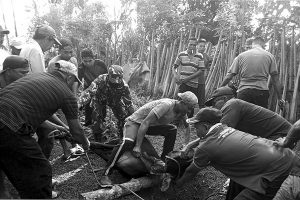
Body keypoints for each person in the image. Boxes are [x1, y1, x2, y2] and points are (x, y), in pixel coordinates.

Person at [0, 60, 90, 199]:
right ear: (69, 77)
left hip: (6, 119)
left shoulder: (36, 77)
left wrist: (62, 127)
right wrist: (85, 143)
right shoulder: (67, 94)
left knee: (11, 162)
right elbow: (77, 131)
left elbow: (40, 114)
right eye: (74, 80)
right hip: (9, 124)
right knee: (40, 170)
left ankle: (7, 195)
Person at [176, 107, 299, 200]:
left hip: (277, 172)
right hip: (284, 156)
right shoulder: (224, 128)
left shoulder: (205, 148)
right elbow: (209, 139)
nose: (195, 130)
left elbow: (190, 172)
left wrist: (177, 185)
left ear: (205, 126)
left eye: (196, 127)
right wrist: (191, 144)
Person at [205, 86, 292, 199]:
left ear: (224, 99)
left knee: (248, 166)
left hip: (282, 138)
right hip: (273, 138)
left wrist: (193, 147)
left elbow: (218, 135)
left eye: (214, 102)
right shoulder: (233, 106)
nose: (213, 107)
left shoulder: (232, 104)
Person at [99, 91, 198, 187]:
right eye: (189, 108)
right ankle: (106, 173)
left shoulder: (181, 111)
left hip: (148, 126)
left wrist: (186, 143)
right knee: (127, 142)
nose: (189, 111)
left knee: (172, 129)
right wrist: (137, 146)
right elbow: (145, 122)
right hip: (135, 122)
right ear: (182, 102)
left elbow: (187, 126)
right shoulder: (166, 105)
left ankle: (164, 161)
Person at [220, 36, 284, 109]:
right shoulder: (270, 56)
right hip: (261, 92)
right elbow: (275, 80)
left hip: (244, 92)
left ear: (252, 44)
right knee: (260, 118)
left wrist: (219, 89)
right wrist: (280, 98)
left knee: (243, 117)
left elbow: (229, 76)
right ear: (263, 45)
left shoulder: (241, 56)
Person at [78, 65, 134, 141]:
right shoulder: (101, 79)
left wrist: (134, 116)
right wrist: (80, 103)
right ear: (109, 75)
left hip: (115, 101)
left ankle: (123, 137)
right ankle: (98, 139)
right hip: (99, 100)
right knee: (97, 117)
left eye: (119, 77)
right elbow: (89, 92)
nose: (116, 80)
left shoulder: (124, 86)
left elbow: (129, 103)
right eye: (114, 77)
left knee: (123, 117)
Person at [0, 55, 29, 198]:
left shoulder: (18, 84)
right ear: (8, 70)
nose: (25, 76)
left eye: (27, 73)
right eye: (22, 73)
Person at [173, 37, 205, 116]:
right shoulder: (181, 54)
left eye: (194, 45)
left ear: (196, 46)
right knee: (180, 102)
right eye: (190, 44)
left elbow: (201, 70)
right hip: (183, 83)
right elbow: (174, 67)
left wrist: (188, 78)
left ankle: (188, 122)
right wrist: (175, 76)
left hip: (193, 84)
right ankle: (176, 120)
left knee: (191, 104)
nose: (192, 47)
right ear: (187, 44)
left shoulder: (199, 56)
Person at [78, 48, 108, 126]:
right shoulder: (81, 67)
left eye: (90, 61)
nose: (87, 63)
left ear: (94, 58)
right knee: (88, 106)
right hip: (88, 87)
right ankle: (88, 122)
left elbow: (106, 77)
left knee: (102, 104)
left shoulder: (101, 64)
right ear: (82, 60)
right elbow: (78, 81)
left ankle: (102, 121)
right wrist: (78, 94)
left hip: (101, 87)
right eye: (85, 61)